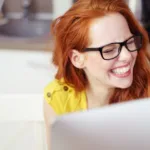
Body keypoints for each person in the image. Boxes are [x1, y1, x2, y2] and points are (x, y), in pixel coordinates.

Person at [43, 0, 150, 149]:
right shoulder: (60, 97)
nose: (127, 56)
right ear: (77, 59)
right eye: (109, 50)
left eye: (129, 42)